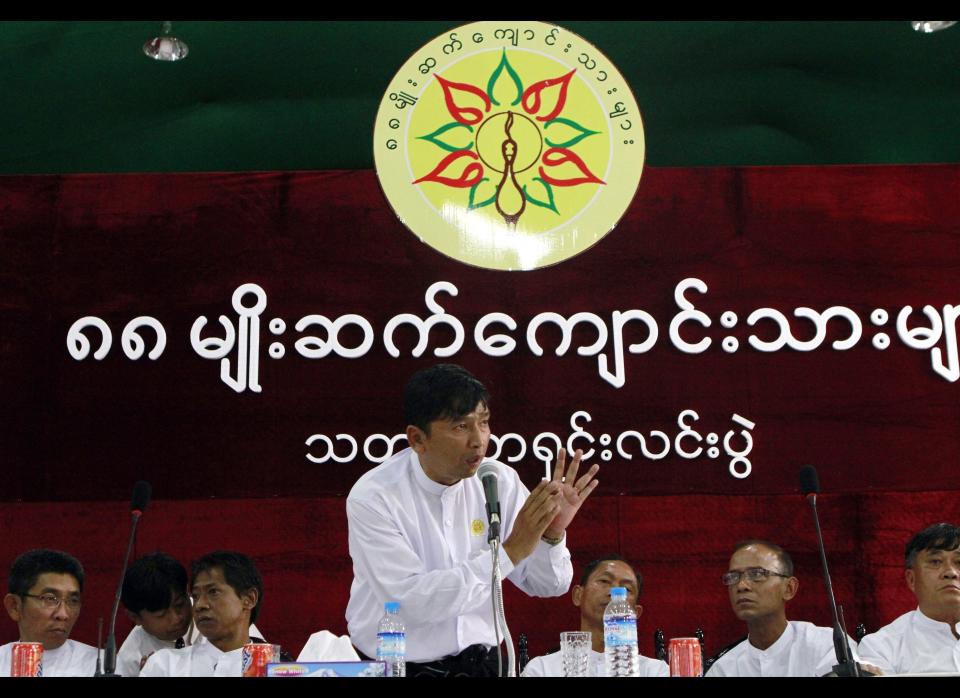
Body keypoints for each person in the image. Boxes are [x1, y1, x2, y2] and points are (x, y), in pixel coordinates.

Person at [346, 363, 600, 676]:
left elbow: (549, 584)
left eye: (483, 423)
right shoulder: (374, 497)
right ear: (416, 439)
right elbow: (413, 601)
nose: (478, 440)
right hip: (400, 667)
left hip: (484, 666)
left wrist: (551, 534)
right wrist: (507, 554)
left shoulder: (497, 480)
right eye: (460, 427)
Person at [706, 540, 860, 677]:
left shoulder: (827, 646)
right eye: (733, 577)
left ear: (789, 588)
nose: (741, 586)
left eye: (756, 574)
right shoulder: (723, 669)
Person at [521, 555, 669, 677]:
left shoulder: (656, 672)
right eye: (604, 581)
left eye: (626, 589)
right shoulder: (542, 670)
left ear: (635, 613)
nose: (614, 592)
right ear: (578, 595)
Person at [141, 551, 267, 677]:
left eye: (213, 592)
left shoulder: (274, 668)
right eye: (195, 596)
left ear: (249, 599)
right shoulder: (164, 665)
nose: (199, 605)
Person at [857, 522, 960, 674]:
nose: (951, 572)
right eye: (935, 562)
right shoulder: (881, 648)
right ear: (911, 579)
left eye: (959, 562)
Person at [0, 549, 98, 676]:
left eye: (73, 600)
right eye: (50, 599)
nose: (63, 614)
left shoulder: (100, 665)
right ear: (14, 606)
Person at [116, 552, 196, 676]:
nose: (176, 619)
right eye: (161, 615)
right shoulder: (131, 655)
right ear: (135, 617)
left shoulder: (213, 620)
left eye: (179, 605)